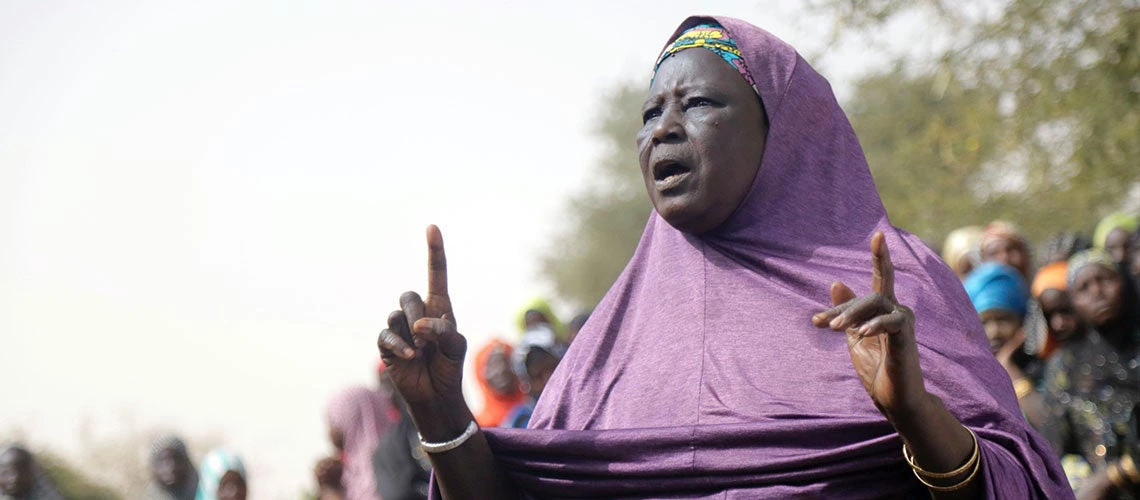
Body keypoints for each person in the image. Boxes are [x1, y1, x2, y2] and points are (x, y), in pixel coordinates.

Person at [377, 16, 1070, 498]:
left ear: (784, 135)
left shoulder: (894, 289)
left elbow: (1018, 482)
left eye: (698, 101)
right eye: (650, 113)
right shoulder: (606, 342)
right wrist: (444, 420)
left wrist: (917, 414)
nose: (664, 129)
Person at [1040, 249, 1140, 498]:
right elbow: (1056, 446)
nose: (1097, 291)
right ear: (1072, 302)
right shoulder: (1065, 366)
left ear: (1125, 283)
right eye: (1084, 288)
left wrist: (1115, 474)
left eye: (1105, 280)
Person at [963, 262, 1047, 429]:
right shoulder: (963, 376)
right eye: (984, 322)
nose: (994, 332)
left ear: (1022, 322)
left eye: (1003, 319)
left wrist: (1010, 370)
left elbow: (1049, 424)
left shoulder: (1041, 369)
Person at [325, 386, 393, 500]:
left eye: (334, 421)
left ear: (350, 419)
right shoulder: (350, 474)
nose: (330, 431)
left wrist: (330, 491)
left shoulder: (376, 481)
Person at [471, 339, 526, 428]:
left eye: (506, 361)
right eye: (492, 365)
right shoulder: (480, 426)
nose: (501, 370)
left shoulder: (536, 408)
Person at [146, 435, 199, 500]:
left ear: (187, 462)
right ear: (153, 467)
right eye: (162, 460)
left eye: (176, 459)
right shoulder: (152, 496)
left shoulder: (205, 492)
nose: (170, 468)